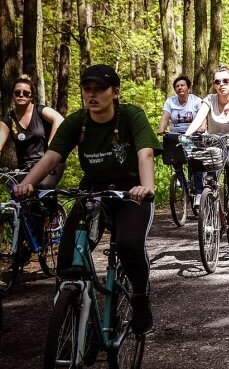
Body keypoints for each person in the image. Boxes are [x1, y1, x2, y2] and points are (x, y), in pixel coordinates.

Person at [13, 64, 161, 334]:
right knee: (68, 258)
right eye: (87, 89)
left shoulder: (131, 116)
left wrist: (146, 187)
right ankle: (75, 318)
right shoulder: (78, 121)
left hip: (130, 191)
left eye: (99, 89)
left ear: (115, 92)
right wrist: (26, 184)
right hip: (93, 190)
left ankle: (140, 298)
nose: (92, 95)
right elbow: (51, 157)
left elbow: (145, 153)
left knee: (128, 244)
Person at [185, 65, 229, 217]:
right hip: (214, 143)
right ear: (214, 85)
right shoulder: (209, 99)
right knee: (210, 172)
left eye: (226, 81)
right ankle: (211, 206)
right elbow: (198, 119)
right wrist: (187, 134)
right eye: (217, 82)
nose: (222, 84)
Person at [0, 75, 65, 187]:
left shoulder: (41, 111)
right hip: (24, 168)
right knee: (16, 194)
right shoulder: (8, 119)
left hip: (49, 163)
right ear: (13, 95)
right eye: (17, 92)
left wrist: (51, 146)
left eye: (26, 93)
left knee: (43, 187)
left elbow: (59, 119)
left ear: (31, 97)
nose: (21, 95)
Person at [158, 75, 204, 208]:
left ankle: (198, 193)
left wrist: (202, 126)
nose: (180, 88)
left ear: (188, 88)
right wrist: (161, 128)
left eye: (182, 85)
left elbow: (202, 116)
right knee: (174, 158)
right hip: (176, 135)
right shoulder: (170, 101)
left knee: (195, 163)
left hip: (193, 134)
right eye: (177, 86)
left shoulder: (196, 100)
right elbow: (165, 117)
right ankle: (181, 180)